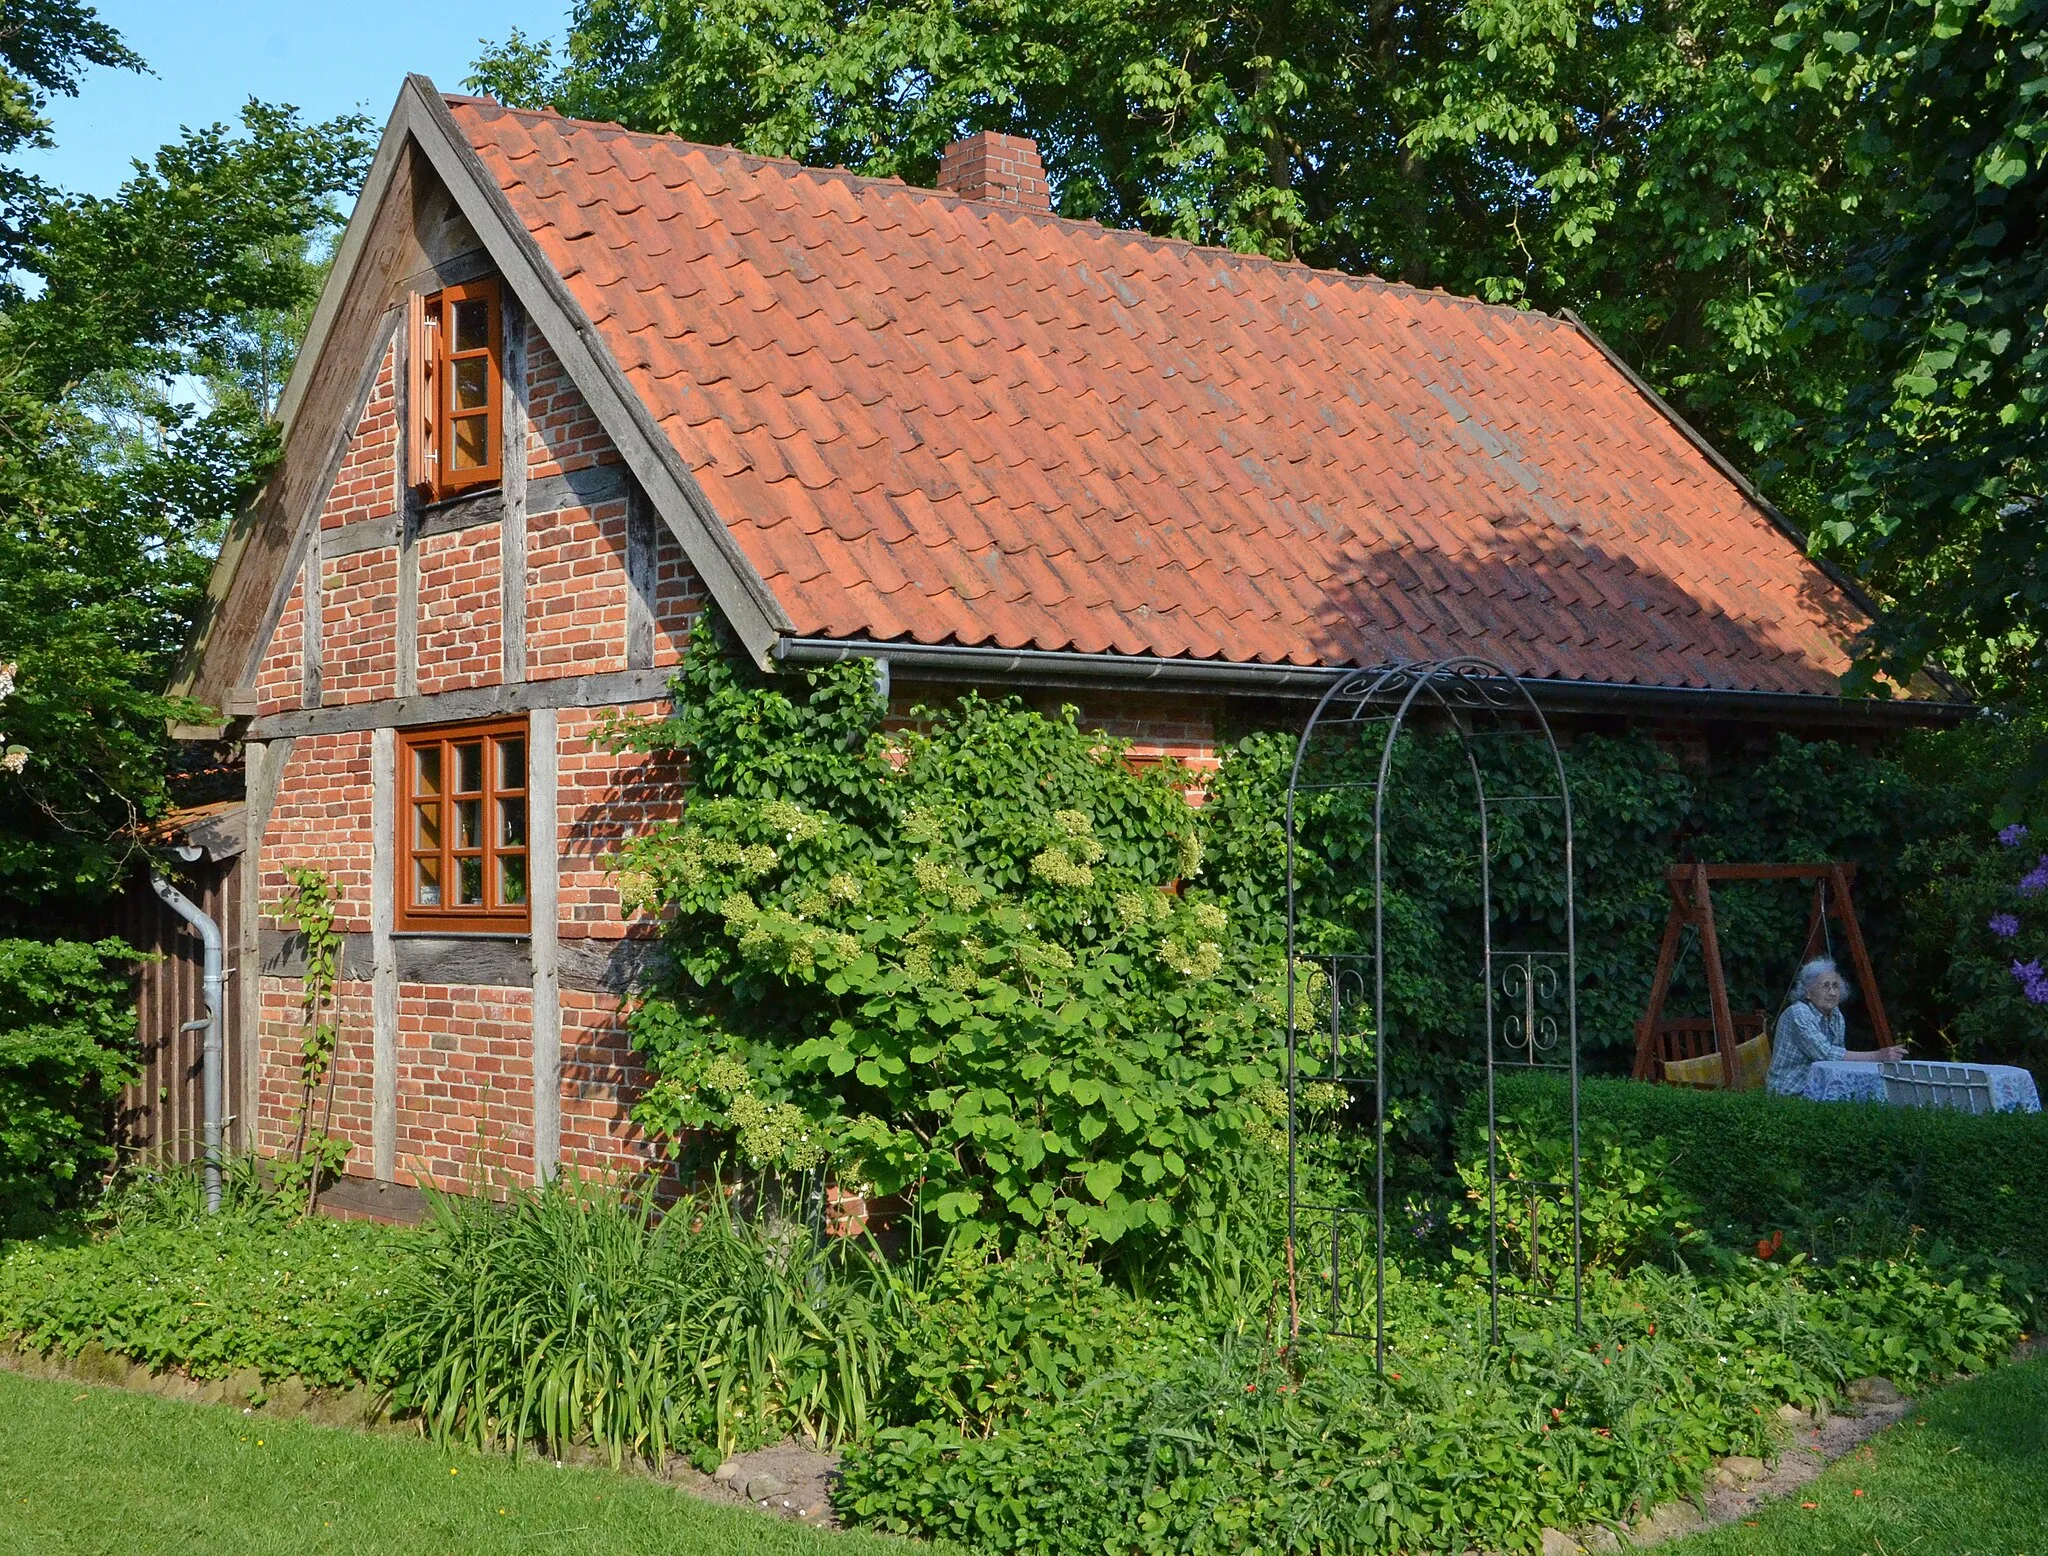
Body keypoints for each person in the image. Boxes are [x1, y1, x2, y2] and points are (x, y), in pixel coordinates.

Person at [1766, 957, 1906, 1097]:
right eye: (1825, 986)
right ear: (1807, 992)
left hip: (1820, 1083)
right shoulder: (1798, 1013)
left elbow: (1838, 1058)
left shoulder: (1835, 1014)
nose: (1832, 993)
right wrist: (1878, 1055)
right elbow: (1826, 1054)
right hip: (1790, 1088)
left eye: (1835, 986)